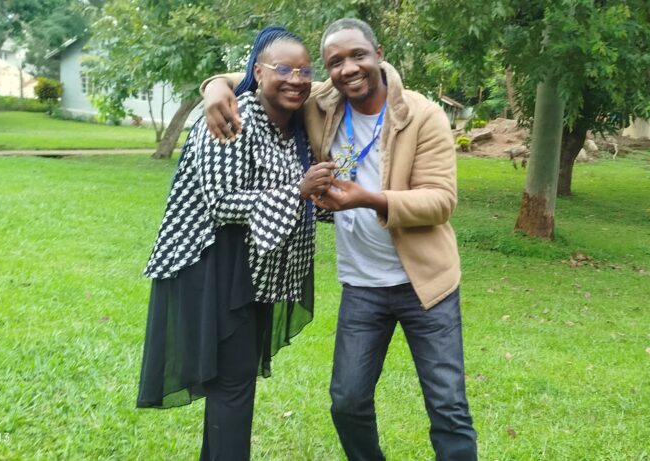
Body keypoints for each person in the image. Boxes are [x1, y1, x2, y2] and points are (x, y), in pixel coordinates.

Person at [200, 18, 477, 461]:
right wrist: (215, 86)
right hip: (362, 285)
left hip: (426, 285)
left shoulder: (423, 115)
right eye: (335, 62)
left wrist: (367, 198)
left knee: (448, 406)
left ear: (378, 55)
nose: (348, 69)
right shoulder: (322, 101)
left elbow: (441, 201)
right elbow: (267, 73)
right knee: (347, 402)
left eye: (357, 56)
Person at [136, 26, 336, 460]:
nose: (296, 79)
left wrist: (336, 199)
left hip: (256, 268)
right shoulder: (232, 116)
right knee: (232, 386)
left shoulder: (296, 125)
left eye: (305, 71)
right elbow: (223, 202)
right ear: (258, 73)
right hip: (212, 264)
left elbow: (300, 197)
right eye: (283, 69)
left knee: (234, 383)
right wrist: (299, 191)